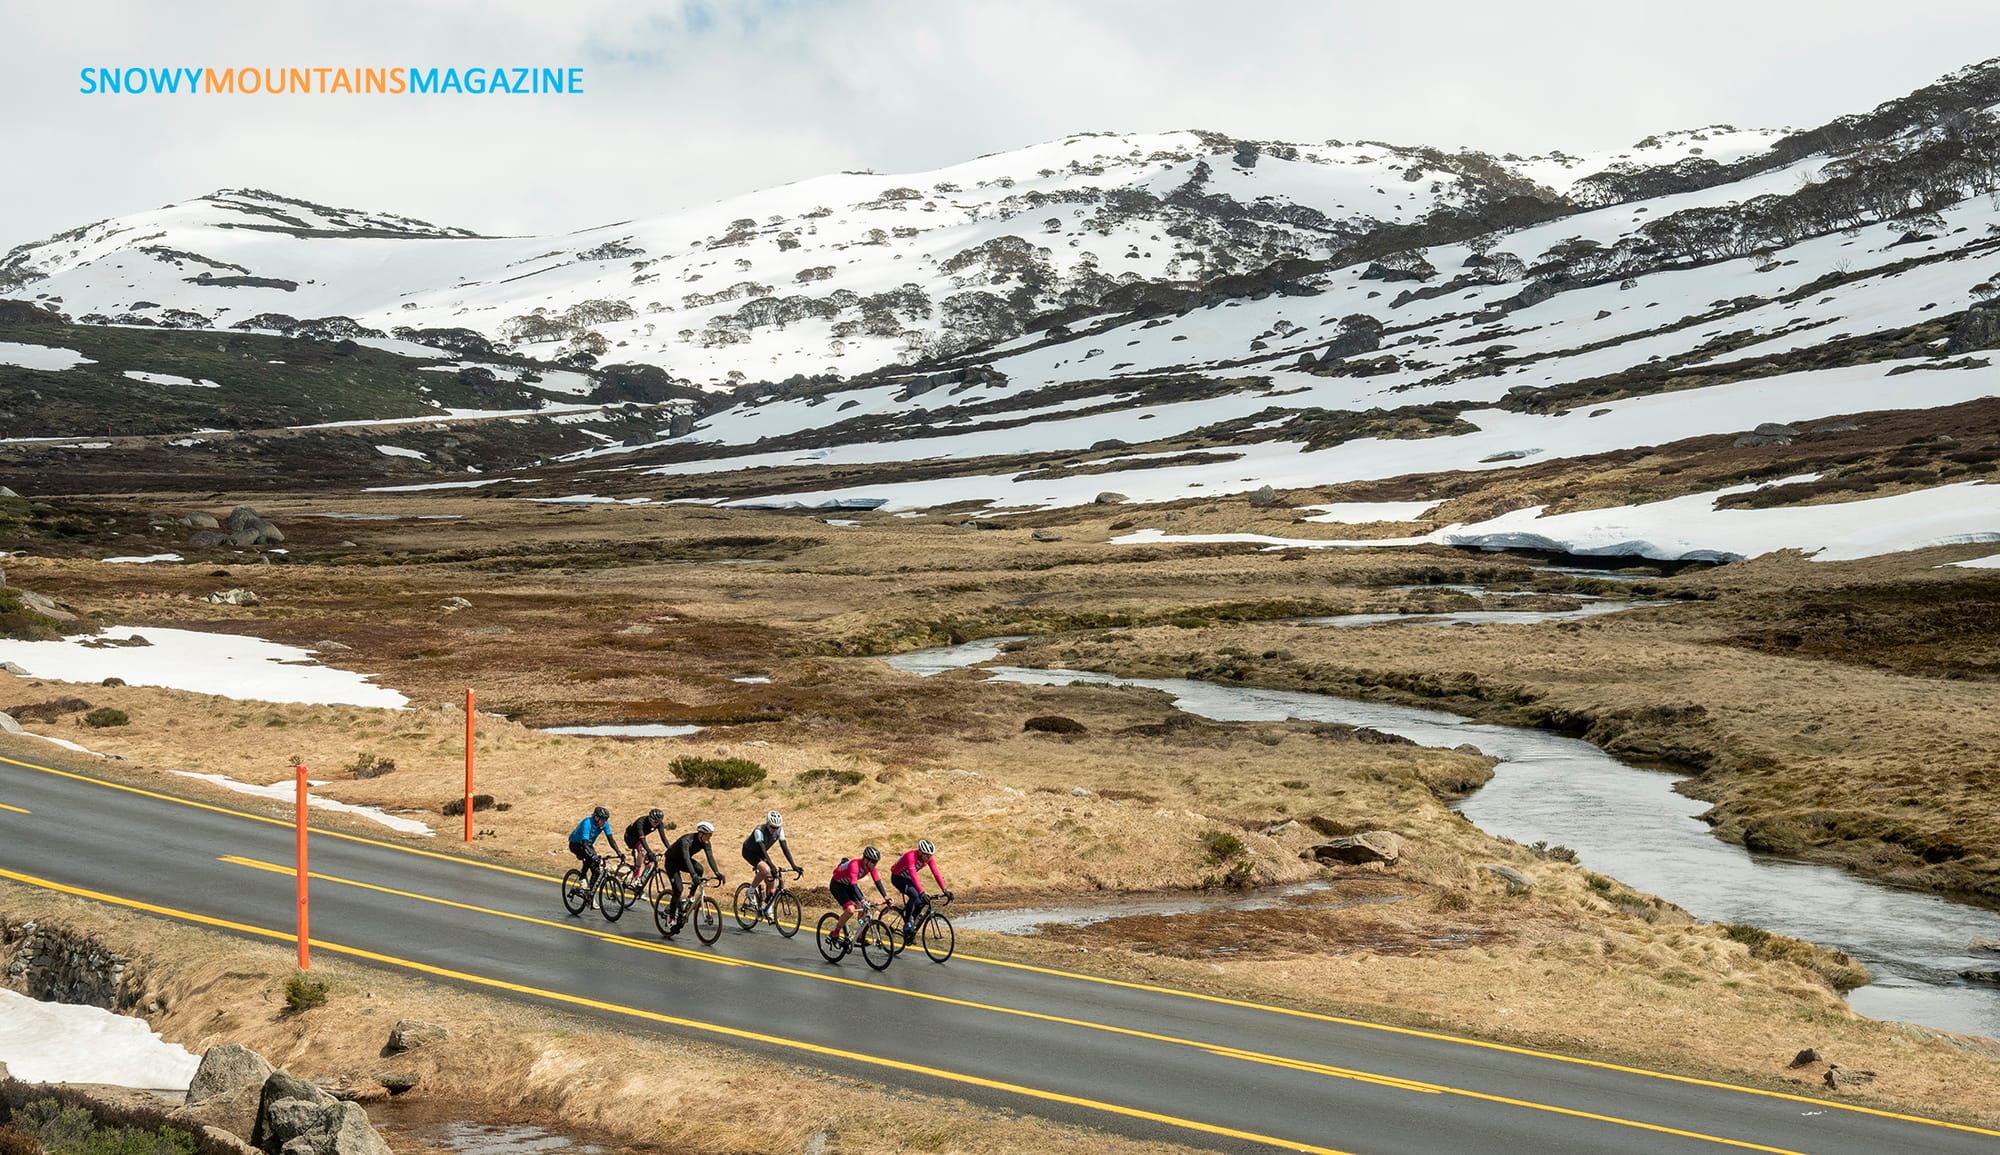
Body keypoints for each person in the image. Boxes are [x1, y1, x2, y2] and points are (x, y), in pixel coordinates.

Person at [662, 820, 724, 936]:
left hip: (683, 861)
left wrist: (717, 873)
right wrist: (693, 875)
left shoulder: (705, 842)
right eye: (707, 835)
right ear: (700, 834)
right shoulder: (686, 841)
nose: (709, 838)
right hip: (672, 862)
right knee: (678, 889)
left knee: (700, 869)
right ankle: (671, 919)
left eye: (710, 835)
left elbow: (710, 857)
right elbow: (686, 858)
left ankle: (691, 897)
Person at [890, 838, 952, 942]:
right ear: (920, 852)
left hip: (908, 879)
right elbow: (914, 876)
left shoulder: (929, 858)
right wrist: (922, 892)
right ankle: (907, 924)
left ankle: (911, 926)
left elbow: (936, 873)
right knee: (914, 895)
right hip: (898, 878)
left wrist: (944, 890)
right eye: (927, 855)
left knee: (921, 902)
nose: (929, 858)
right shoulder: (910, 857)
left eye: (930, 855)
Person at [742, 810, 801, 913]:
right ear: (767, 823)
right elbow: (763, 850)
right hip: (749, 852)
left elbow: (785, 848)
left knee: (772, 880)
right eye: (772, 827)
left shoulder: (779, 831)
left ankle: (767, 908)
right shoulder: (759, 831)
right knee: (766, 870)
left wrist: (793, 865)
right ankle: (750, 891)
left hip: (761, 853)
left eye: (777, 827)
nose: (774, 829)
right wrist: (772, 866)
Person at [828, 846, 888, 946]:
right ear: (865, 860)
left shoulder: (870, 868)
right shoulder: (854, 865)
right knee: (850, 910)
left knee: (864, 909)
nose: (875, 864)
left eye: (876, 862)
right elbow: (854, 885)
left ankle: (858, 936)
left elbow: (877, 882)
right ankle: (835, 933)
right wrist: (862, 901)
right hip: (837, 885)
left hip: (849, 885)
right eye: (873, 862)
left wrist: (886, 897)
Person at [567, 805, 615, 899]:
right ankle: (582, 878)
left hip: (587, 845)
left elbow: (611, 840)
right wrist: (593, 856)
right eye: (602, 820)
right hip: (576, 844)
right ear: (596, 818)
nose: (604, 822)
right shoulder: (587, 823)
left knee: (596, 870)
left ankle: (589, 895)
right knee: (589, 858)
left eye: (606, 820)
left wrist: (619, 853)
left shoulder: (605, 824)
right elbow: (584, 844)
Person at [623, 807, 667, 887]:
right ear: (650, 819)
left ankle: (641, 883)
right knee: (643, 851)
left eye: (659, 822)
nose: (657, 824)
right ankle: (635, 877)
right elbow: (642, 839)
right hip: (630, 837)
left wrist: (670, 849)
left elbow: (663, 838)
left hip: (640, 839)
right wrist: (649, 852)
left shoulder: (658, 823)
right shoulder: (641, 822)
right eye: (656, 822)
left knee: (650, 863)